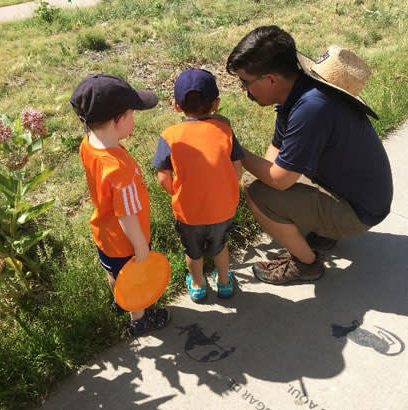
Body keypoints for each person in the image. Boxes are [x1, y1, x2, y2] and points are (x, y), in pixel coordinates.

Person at [226, 26, 393, 285]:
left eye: (245, 82)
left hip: (360, 211)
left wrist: (234, 149)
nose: (245, 90)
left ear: (270, 79)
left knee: (258, 193)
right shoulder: (296, 91)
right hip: (356, 194)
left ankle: (306, 265)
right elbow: (276, 152)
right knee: (259, 180)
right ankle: (325, 230)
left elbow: (280, 180)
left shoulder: (312, 108)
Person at [70, 74, 170, 335]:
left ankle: (118, 299)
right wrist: (140, 249)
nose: (134, 120)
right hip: (126, 243)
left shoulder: (88, 145)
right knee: (135, 282)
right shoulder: (119, 171)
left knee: (113, 272)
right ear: (118, 120)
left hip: (104, 233)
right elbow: (127, 215)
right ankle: (139, 319)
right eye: (132, 114)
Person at [152, 68, 244, 302]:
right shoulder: (225, 130)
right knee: (220, 247)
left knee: (193, 252)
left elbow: (163, 178)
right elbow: (237, 168)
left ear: (176, 105)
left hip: (189, 213)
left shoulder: (170, 135)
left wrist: (182, 194)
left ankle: (198, 285)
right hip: (223, 209)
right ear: (216, 103)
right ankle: (224, 282)